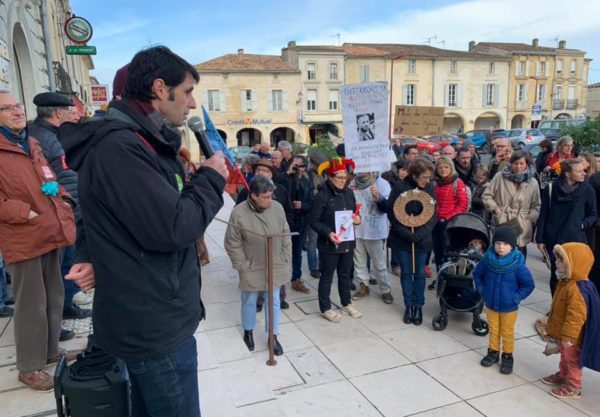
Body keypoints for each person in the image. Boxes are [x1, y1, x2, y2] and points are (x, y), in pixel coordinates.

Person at [60, 46, 228, 417]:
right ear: (159, 88)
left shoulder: (141, 140)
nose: (192, 103)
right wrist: (211, 179)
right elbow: (173, 227)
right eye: (186, 92)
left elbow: (101, 212)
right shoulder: (122, 146)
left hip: (151, 309)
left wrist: (90, 255)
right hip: (153, 323)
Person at [0, 89, 78, 391]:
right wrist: (25, 212)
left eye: (17, 105)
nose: (17, 111)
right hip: (23, 235)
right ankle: (29, 367)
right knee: (30, 304)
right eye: (7, 109)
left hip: (50, 229)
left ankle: (50, 351)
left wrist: (64, 197)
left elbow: (50, 177)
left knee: (53, 295)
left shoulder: (30, 142)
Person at [29, 92, 93, 328]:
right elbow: (63, 176)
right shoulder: (47, 139)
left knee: (64, 261)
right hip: (63, 208)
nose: (74, 115)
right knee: (64, 261)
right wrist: (75, 210)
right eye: (70, 111)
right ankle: (65, 308)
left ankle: (65, 306)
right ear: (58, 113)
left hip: (62, 207)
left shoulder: (41, 134)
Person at [224, 176, 291, 356]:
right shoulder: (239, 212)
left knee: (274, 300)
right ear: (253, 196)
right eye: (266, 197)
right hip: (252, 264)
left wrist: (285, 256)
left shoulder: (277, 208)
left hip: (275, 262)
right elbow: (232, 242)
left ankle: (273, 335)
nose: (270, 200)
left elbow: (285, 233)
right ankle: (248, 331)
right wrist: (242, 265)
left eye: (271, 196)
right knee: (250, 300)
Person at [542, 242, 600, 399]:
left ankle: (574, 386)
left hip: (571, 337)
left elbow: (576, 317)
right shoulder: (566, 282)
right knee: (564, 356)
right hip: (563, 333)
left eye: (561, 260)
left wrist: (569, 337)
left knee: (572, 359)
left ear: (573, 264)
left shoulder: (576, 289)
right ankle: (563, 375)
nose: (556, 262)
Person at [474, 226, 535, 374]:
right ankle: (493, 352)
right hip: (491, 304)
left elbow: (528, 284)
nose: (501, 247)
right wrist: (483, 291)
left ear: (512, 246)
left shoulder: (518, 265)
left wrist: (516, 297)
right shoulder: (487, 261)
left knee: (507, 331)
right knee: (494, 329)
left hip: (509, 306)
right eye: (498, 243)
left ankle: (507, 356)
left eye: (505, 244)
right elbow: (477, 275)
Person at [309, 157, 362, 322]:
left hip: (347, 241)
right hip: (329, 244)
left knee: (345, 275)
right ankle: (325, 308)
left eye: (345, 177)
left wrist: (357, 219)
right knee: (327, 276)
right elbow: (313, 220)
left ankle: (346, 302)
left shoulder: (349, 192)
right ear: (330, 177)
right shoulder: (321, 195)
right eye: (339, 177)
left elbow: (355, 213)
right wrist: (328, 233)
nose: (343, 181)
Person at [236, 159, 293, 310]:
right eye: (259, 170)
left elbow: (287, 211)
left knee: (277, 273)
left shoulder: (280, 190)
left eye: (265, 171)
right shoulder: (246, 192)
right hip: (255, 242)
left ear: (271, 174)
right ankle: (259, 301)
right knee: (258, 275)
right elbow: (238, 217)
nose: (261, 173)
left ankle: (280, 298)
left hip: (276, 241)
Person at [536, 159, 597, 295]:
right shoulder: (551, 188)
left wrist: (581, 224)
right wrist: (540, 239)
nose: (584, 174)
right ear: (568, 174)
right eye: (580, 171)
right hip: (554, 240)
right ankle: (555, 307)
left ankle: (570, 306)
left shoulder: (587, 189)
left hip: (576, 241)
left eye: (584, 171)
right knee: (556, 276)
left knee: (575, 277)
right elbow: (543, 214)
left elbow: (593, 215)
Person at [387, 157, 437, 325]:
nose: (428, 180)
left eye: (429, 177)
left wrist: (420, 233)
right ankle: (409, 305)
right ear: (415, 175)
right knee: (407, 273)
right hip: (402, 239)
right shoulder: (399, 187)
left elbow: (433, 214)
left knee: (420, 274)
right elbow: (392, 215)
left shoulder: (429, 187)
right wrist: (408, 234)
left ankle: (419, 305)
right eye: (424, 177)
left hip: (422, 239)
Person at [482, 151, 541, 258]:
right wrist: (496, 210)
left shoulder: (532, 182)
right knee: (501, 252)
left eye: (521, 163)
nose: (518, 166)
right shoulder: (500, 177)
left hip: (522, 223)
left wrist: (529, 220)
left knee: (520, 255)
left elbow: (536, 205)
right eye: (515, 163)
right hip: (503, 219)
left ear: (527, 164)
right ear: (511, 163)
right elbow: (486, 196)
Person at [350, 172, 393, 304]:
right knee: (359, 262)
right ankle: (364, 287)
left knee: (379, 263)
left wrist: (378, 197)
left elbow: (388, 207)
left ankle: (385, 289)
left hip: (374, 231)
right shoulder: (352, 183)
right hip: (357, 230)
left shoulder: (382, 184)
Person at [430, 157, 468, 289]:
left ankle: (451, 280)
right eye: (440, 167)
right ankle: (440, 277)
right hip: (436, 224)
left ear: (451, 168)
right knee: (438, 252)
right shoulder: (434, 183)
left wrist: (446, 217)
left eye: (446, 167)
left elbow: (462, 205)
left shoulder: (457, 183)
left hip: (451, 224)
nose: (443, 170)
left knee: (450, 253)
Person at [279, 155, 312, 293]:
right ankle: (279, 280)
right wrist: (288, 173)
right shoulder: (285, 179)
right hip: (286, 220)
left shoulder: (307, 181)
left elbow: (312, 201)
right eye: (295, 164)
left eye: (301, 165)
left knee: (297, 251)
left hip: (302, 220)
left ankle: (296, 279)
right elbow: (276, 184)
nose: (298, 168)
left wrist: (302, 205)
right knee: (282, 251)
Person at [306, 151, 327, 278]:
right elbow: (309, 192)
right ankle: (314, 267)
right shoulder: (309, 175)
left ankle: (322, 265)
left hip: (324, 210)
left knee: (323, 239)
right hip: (313, 210)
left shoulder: (325, 174)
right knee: (312, 241)